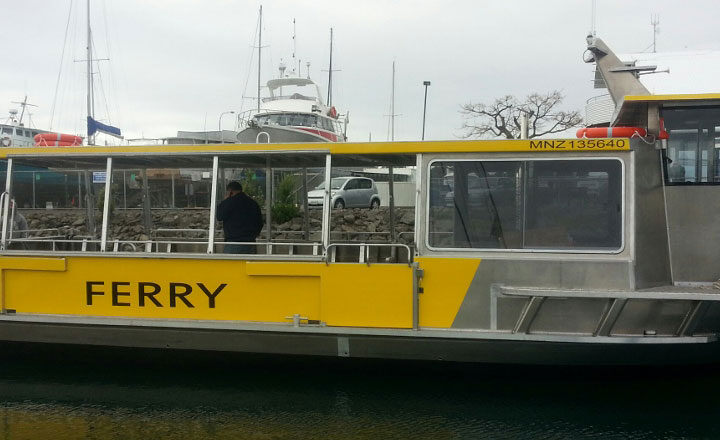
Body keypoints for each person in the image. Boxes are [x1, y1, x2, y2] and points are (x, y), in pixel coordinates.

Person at [216, 181, 263, 254]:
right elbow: (260, 222)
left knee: (230, 265)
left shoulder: (230, 202)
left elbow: (219, 216)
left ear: (230, 192)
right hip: (251, 243)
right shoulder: (253, 203)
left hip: (233, 243)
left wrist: (225, 201)